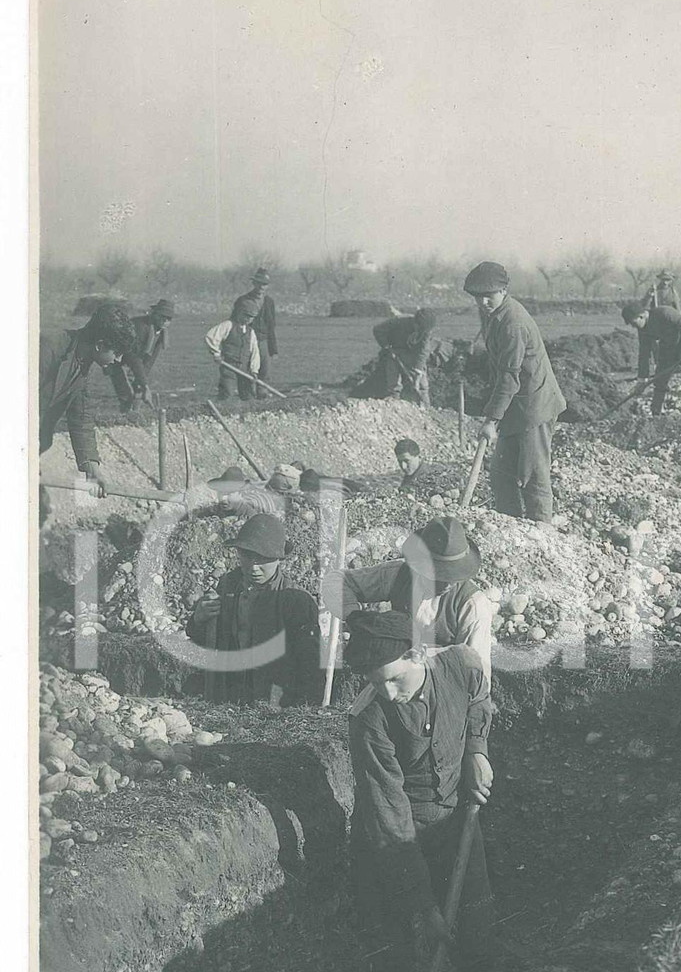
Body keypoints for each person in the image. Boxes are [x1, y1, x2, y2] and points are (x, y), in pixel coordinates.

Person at [344, 609, 497, 972]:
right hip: (392, 845)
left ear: (417, 654)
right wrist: (423, 902)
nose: (388, 692)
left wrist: (476, 751)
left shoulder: (461, 664)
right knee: (393, 956)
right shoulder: (368, 718)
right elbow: (388, 815)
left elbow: (479, 700)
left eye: (393, 679)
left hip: (455, 826)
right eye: (377, 682)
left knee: (478, 937)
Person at [329, 515, 493, 684]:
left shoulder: (473, 604)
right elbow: (336, 581)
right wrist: (357, 619)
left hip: (442, 684)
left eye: (453, 575)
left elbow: (477, 672)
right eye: (438, 574)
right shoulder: (399, 575)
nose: (448, 583)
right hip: (391, 681)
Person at [463, 261, 567, 522]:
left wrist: (491, 421)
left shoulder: (513, 323)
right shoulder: (493, 315)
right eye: (478, 297)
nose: (483, 302)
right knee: (501, 474)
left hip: (535, 405)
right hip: (515, 405)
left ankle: (542, 533)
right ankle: (508, 528)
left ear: (503, 291)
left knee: (533, 473)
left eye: (489, 295)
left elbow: (509, 377)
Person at [186, 513, 322, 704]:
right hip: (229, 696)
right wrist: (198, 620)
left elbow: (310, 665)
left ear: (278, 559)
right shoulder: (228, 587)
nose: (253, 567)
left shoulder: (295, 600)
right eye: (247, 557)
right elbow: (207, 643)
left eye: (262, 559)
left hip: (274, 702)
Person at [39, 299, 136, 493]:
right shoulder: (47, 349)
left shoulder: (82, 366)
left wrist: (92, 469)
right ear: (100, 345)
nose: (119, 359)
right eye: (117, 352)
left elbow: (81, 419)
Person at [621, 299, 681, 416]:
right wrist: (641, 380)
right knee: (660, 380)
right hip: (669, 345)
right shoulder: (642, 330)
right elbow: (644, 354)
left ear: (642, 315)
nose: (634, 327)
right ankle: (655, 413)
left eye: (634, 323)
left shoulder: (664, 313)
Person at [370, 309, 439, 407]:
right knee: (393, 379)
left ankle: (426, 406)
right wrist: (386, 346)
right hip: (395, 349)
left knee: (422, 385)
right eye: (419, 328)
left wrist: (418, 372)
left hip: (413, 352)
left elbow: (423, 351)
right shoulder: (398, 321)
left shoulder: (426, 330)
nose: (421, 331)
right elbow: (377, 330)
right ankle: (394, 401)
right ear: (415, 322)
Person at [205, 295, 261, 399]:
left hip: (245, 368)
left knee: (248, 395)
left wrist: (254, 370)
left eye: (251, 317)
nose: (248, 319)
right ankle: (224, 412)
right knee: (227, 392)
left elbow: (255, 352)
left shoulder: (251, 332)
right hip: (228, 366)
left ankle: (248, 413)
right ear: (239, 313)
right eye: (246, 316)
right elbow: (211, 336)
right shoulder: (228, 325)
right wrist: (216, 354)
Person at [234, 268, 278, 385]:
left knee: (264, 372)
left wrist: (273, 349)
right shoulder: (242, 300)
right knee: (247, 372)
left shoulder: (269, 302)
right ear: (254, 283)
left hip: (263, 341)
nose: (262, 287)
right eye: (259, 283)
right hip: (246, 341)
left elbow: (271, 326)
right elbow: (234, 323)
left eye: (265, 284)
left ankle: (262, 399)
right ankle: (247, 399)